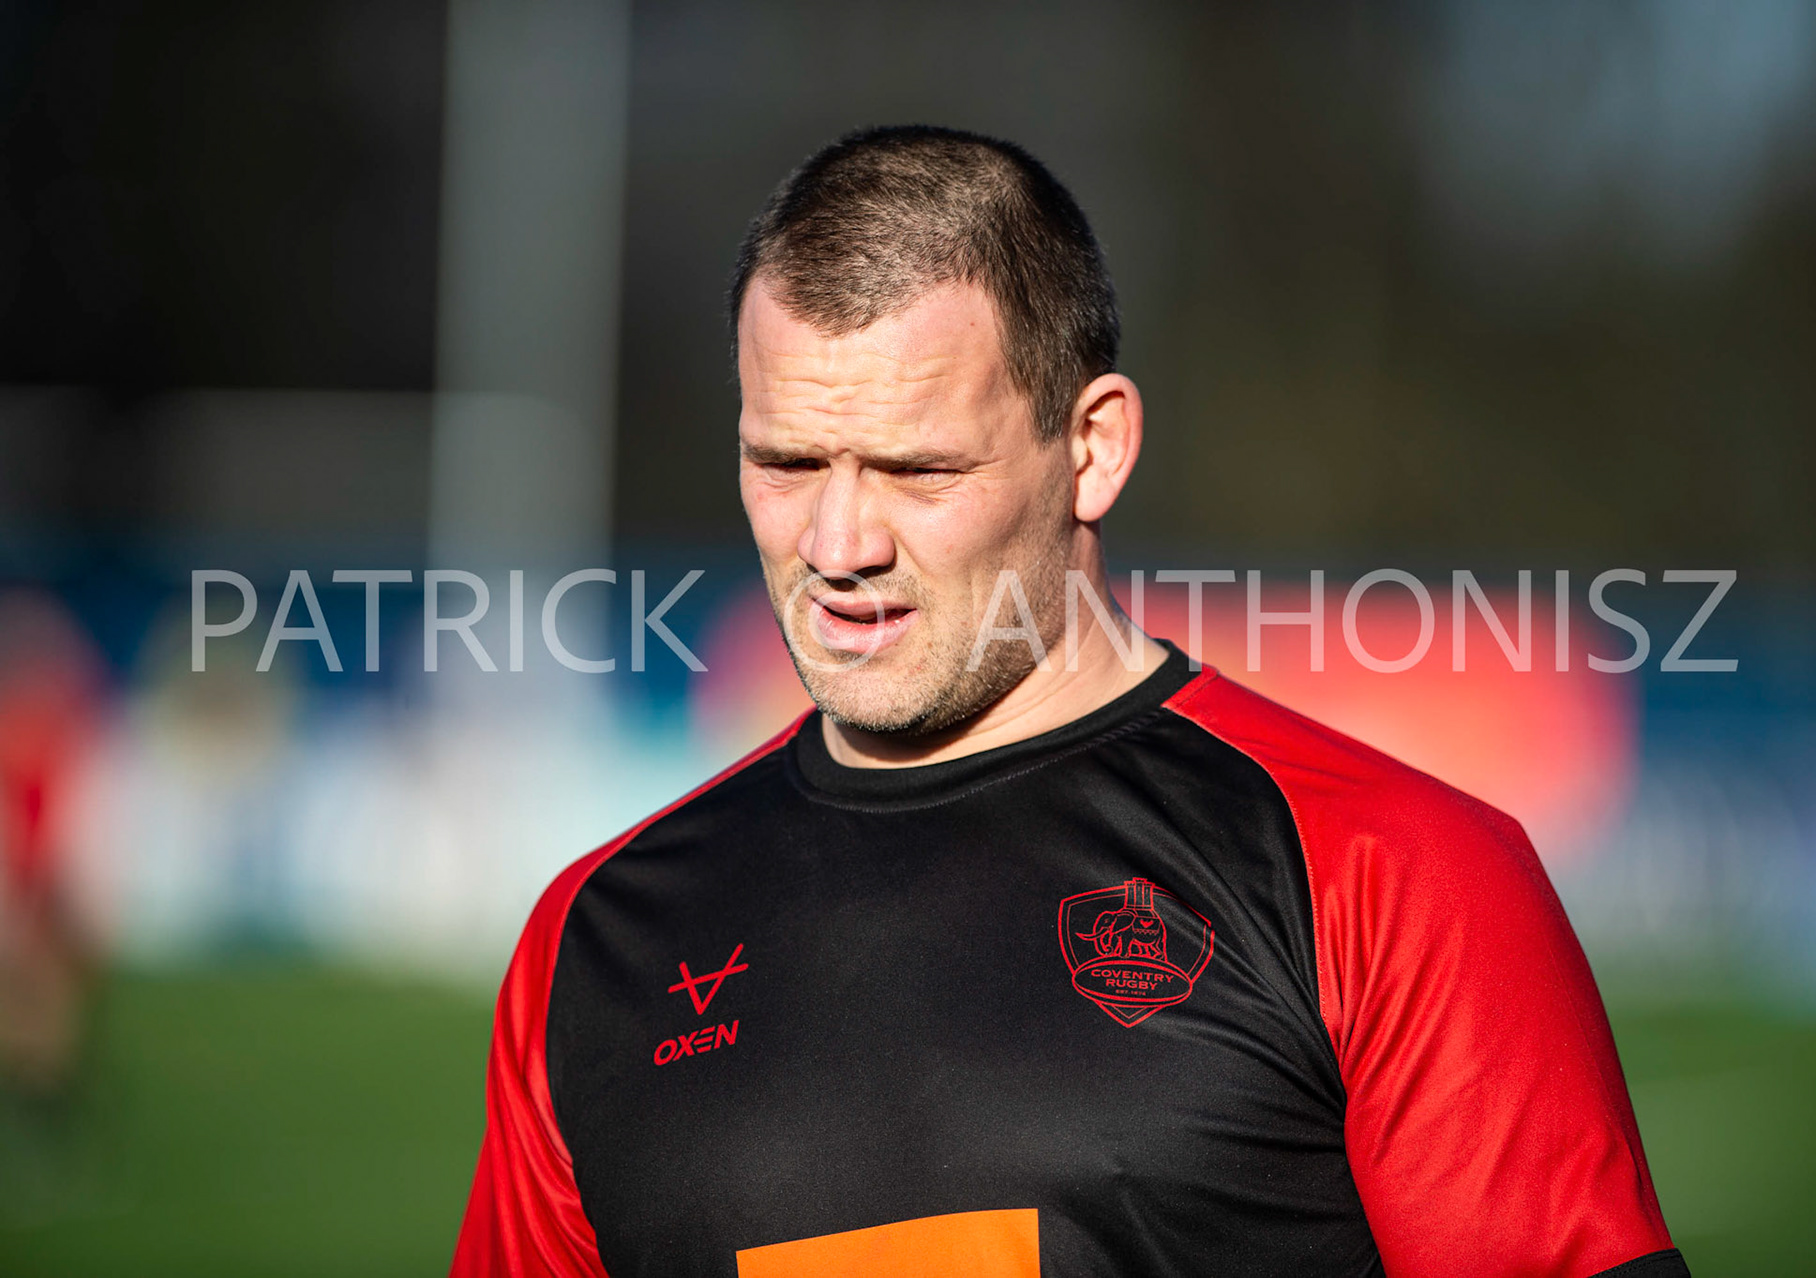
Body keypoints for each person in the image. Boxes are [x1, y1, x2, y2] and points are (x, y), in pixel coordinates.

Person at [451, 125, 1687, 1278]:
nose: (836, 542)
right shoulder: (591, 945)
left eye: (918, 469)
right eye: (784, 463)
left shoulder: (1388, 875)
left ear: (1092, 446)